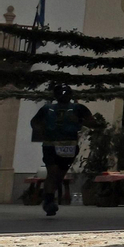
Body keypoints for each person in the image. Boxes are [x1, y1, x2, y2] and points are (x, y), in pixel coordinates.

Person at [30, 84, 93, 217]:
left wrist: (80, 122)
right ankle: (48, 201)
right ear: (56, 95)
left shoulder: (78, 108)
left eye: (66, 93)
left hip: (69, 145)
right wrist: (42, 130)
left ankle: (49, 195)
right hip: (50, 145)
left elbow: (92, 122)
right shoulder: (47, 109)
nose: (63, 96)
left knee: (59, 175)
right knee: (52, 172)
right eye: (60, 93)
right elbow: (35, 122)